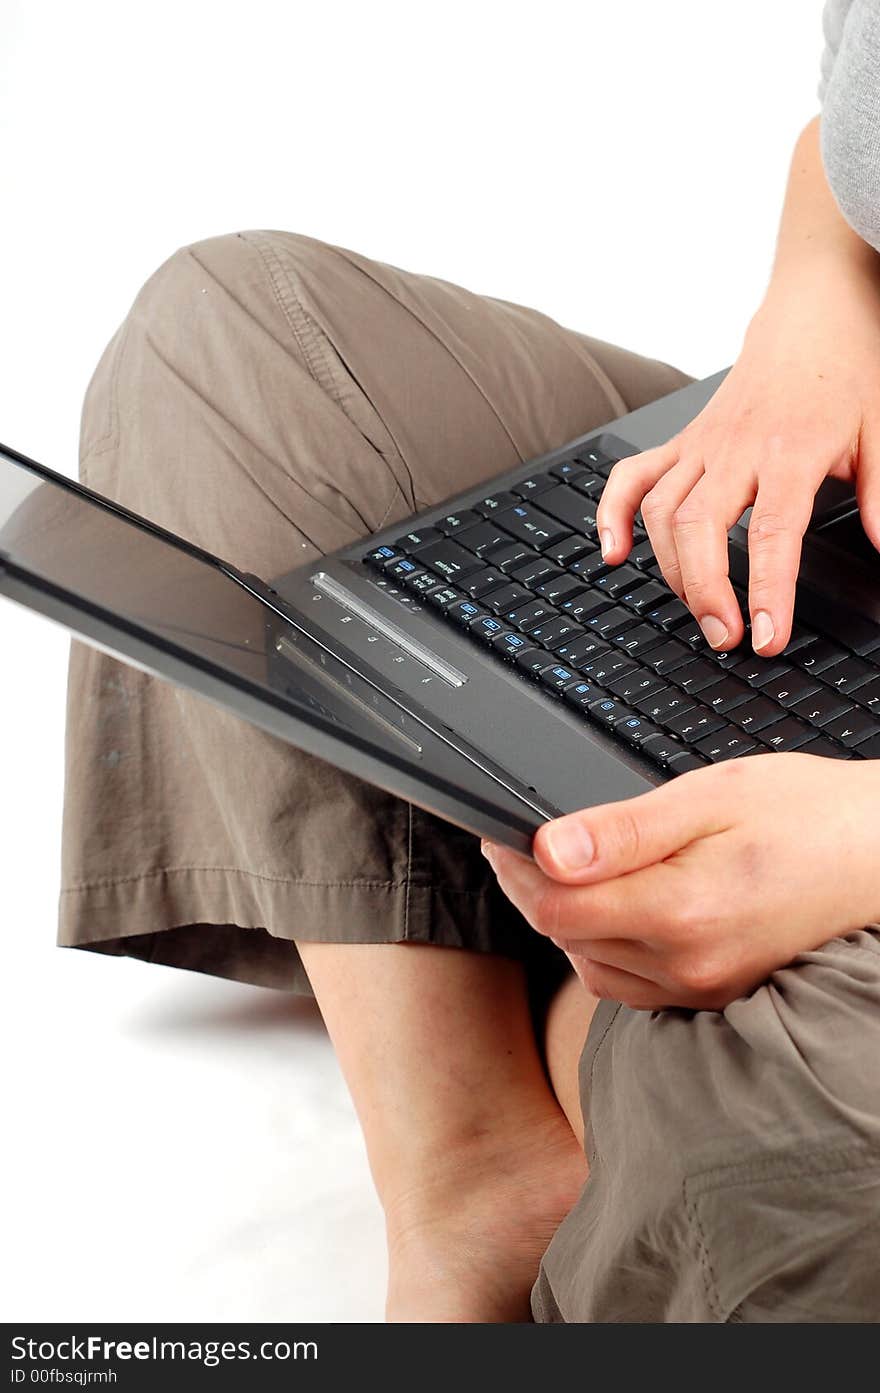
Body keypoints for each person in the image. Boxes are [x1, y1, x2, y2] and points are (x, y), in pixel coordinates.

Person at [59, 0, 880, 1322]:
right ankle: (477, 1162)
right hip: (828, 521)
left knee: (836, 1135)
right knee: (236, 340)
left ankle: (562, 955)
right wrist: (822, 296)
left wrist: (857, 845)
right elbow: (852, 141)